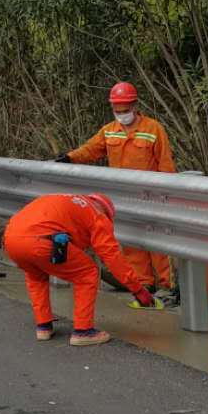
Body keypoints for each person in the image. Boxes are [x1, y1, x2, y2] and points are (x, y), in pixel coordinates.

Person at [55, 81, 176, 296]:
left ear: (135, 105)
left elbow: (165, 163)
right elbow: (91, 149)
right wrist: (69, 158)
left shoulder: (153, 129)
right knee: (132, 242)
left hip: (151, 196)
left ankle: (167, 286)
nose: (121, 114)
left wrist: (168, 195)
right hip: (124, 198)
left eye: (125, 109)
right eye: (117, 110)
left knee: (158, 243)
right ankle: (144, 284)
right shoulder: (109, 132)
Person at [2, 192, 159, 346]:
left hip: (11, 239)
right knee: (88, 273)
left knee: (36, 275)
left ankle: (43, 326)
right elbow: (112, 257)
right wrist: (138, 290)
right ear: (107, 213)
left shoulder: (70, 201)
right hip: (41, 241)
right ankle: (83, 331)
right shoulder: (97, 214)